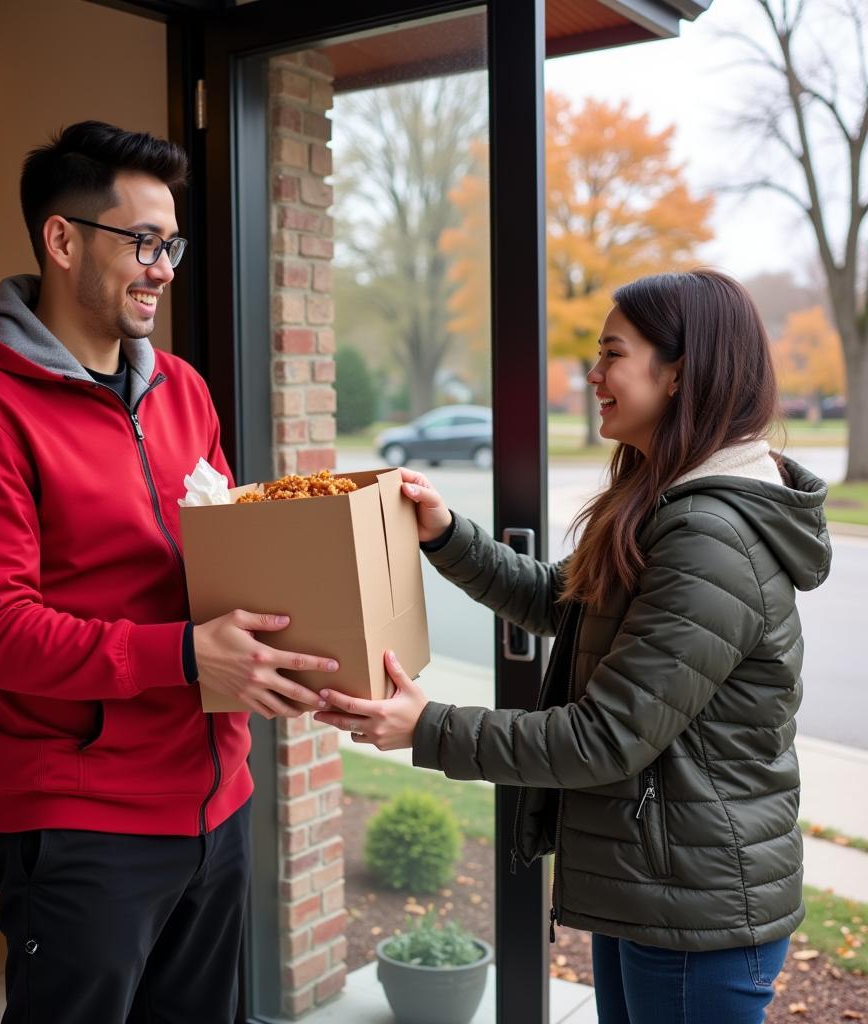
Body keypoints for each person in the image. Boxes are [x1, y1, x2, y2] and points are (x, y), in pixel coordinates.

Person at [314, 269, 832, 1024]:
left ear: (680, 371)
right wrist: (447, 536)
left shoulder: (711, 537)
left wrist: (426, 728)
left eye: (611, 355)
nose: (593, 376)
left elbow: (605, 736)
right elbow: (568, 601)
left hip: (696, 914)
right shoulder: (665, 500)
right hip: (655, 887)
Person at [0, 121, 338, 1024]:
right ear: (62, 240)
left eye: (170, 243)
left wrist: (308, 631)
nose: (164, 267)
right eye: (143, 241)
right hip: (81, 823)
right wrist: (185, 658)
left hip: (217, 802)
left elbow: (225, 551)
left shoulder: (182, 387)